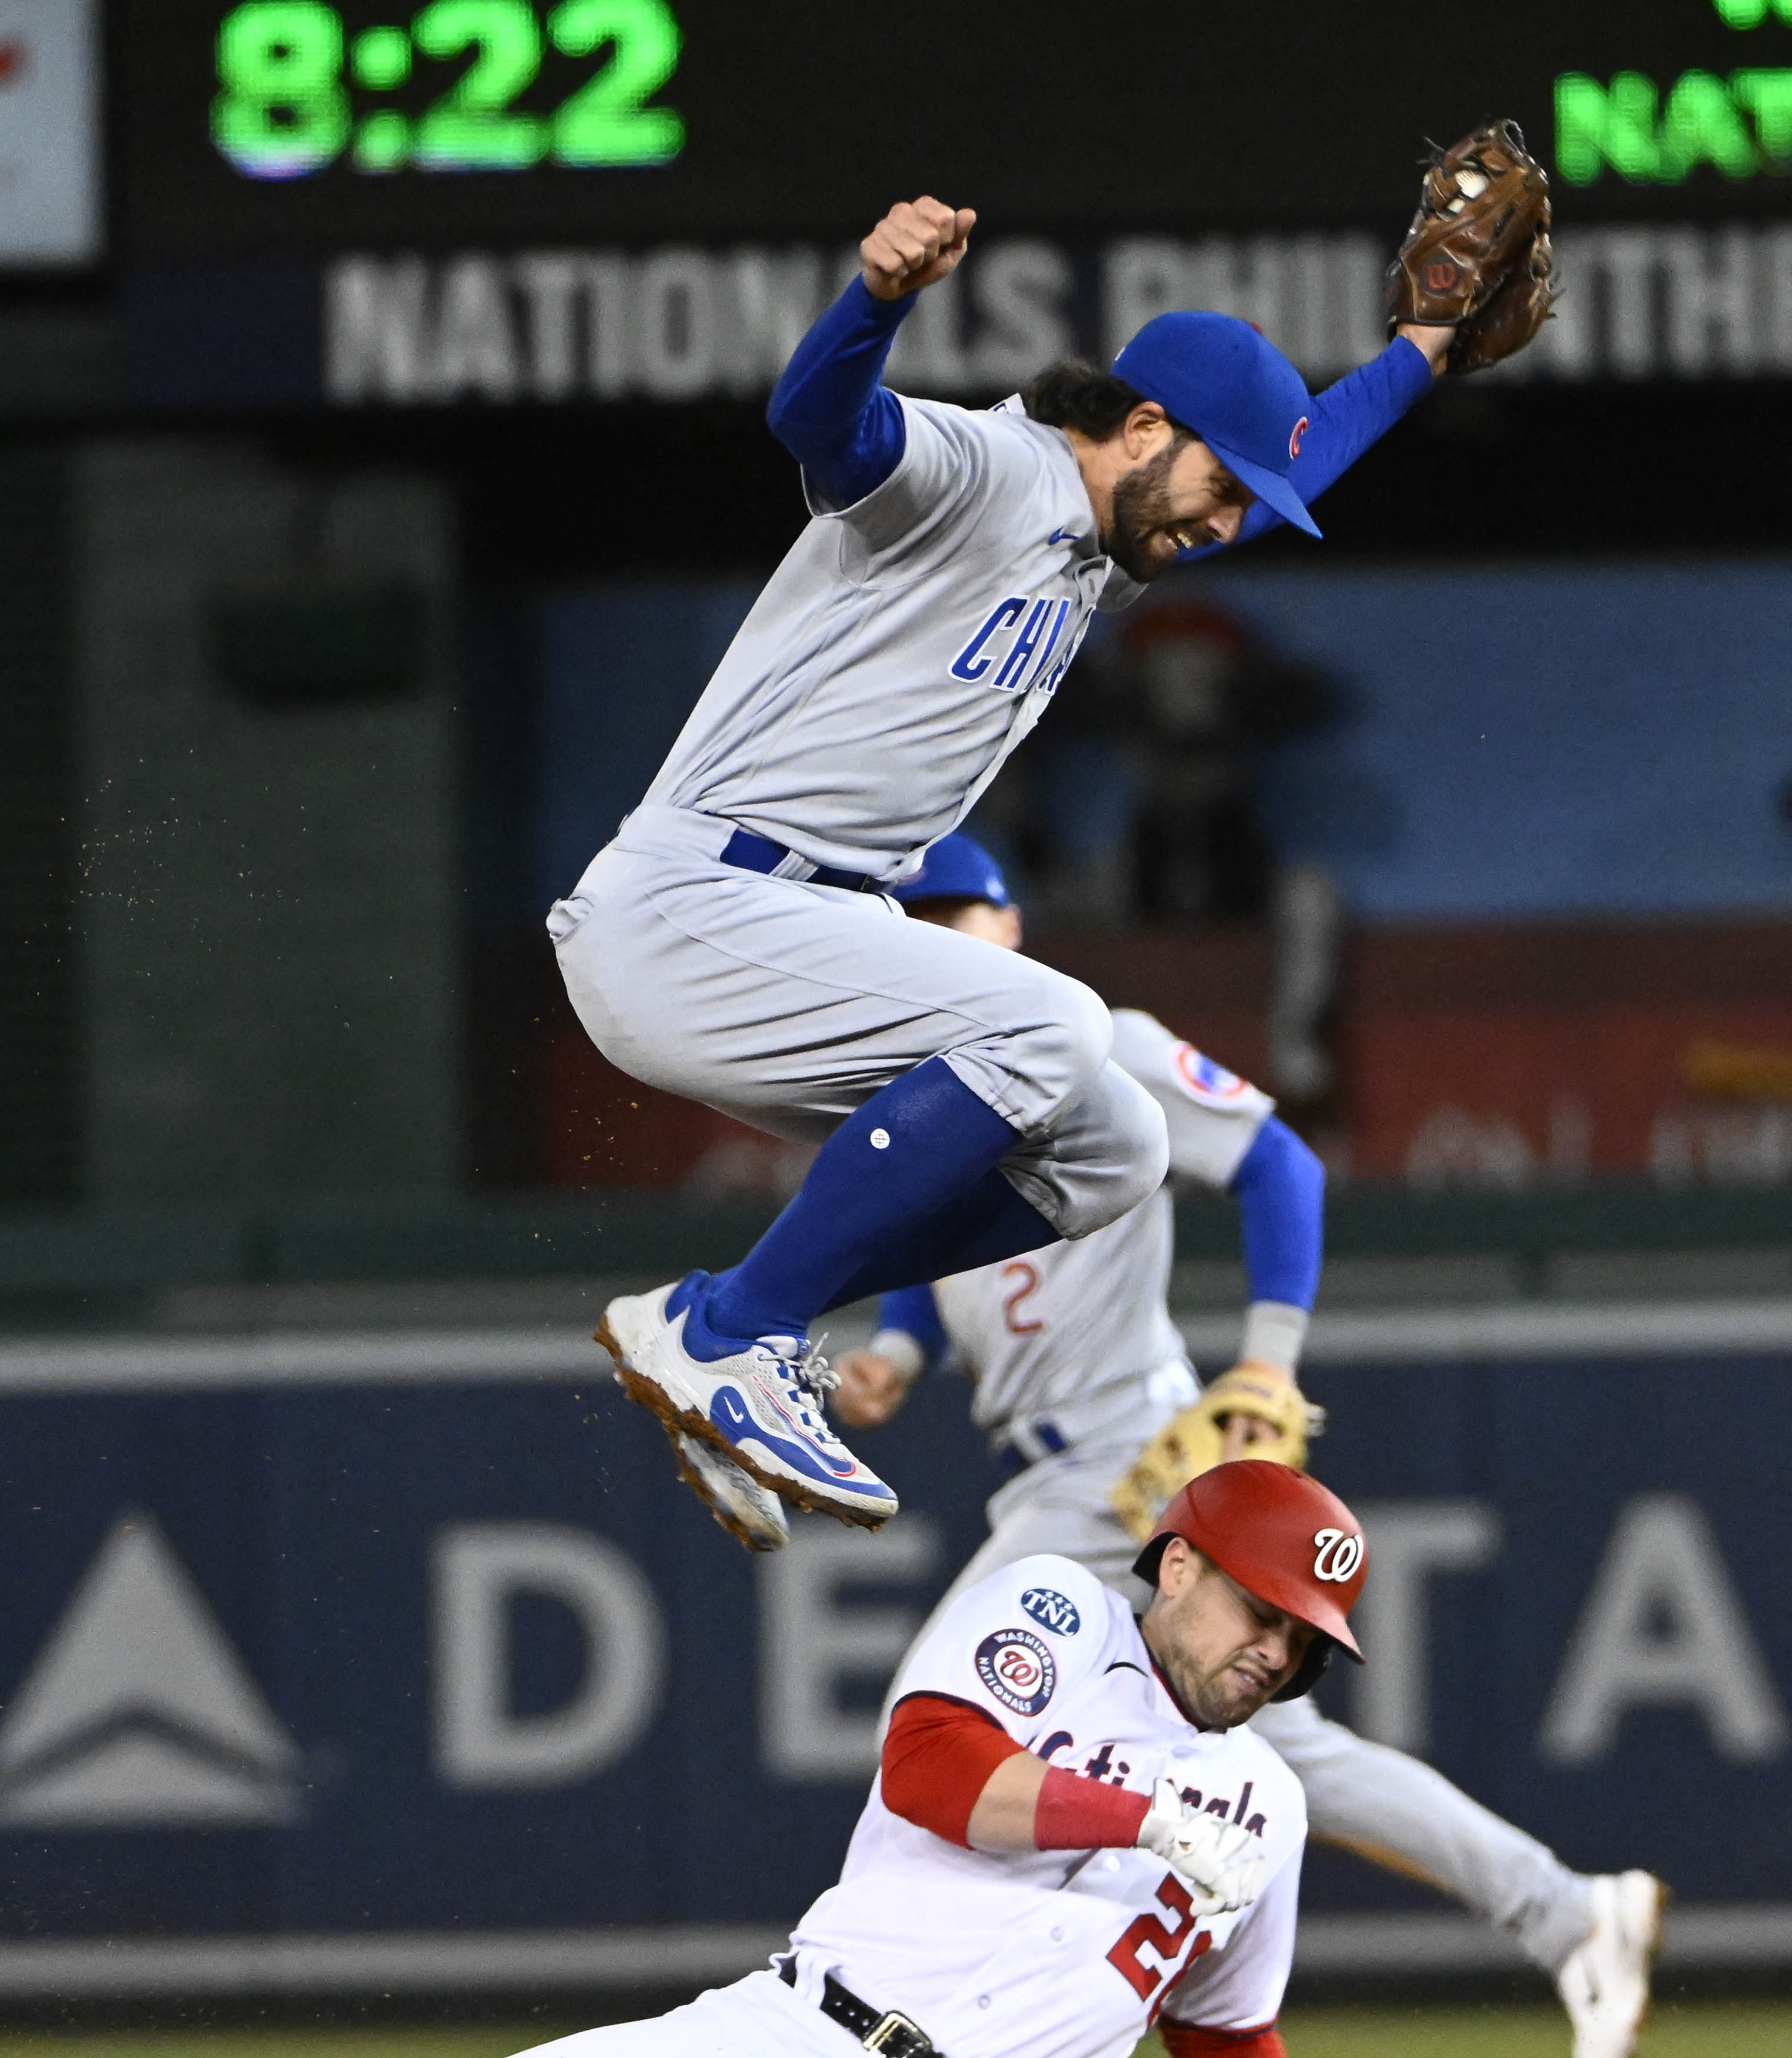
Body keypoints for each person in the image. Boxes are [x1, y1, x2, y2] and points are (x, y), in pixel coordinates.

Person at [0, 1465, 1476, 2058]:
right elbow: (931, 1775)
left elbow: (1227, 2039)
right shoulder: (1049, 1605)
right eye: (1260, 1614)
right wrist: (1133, 1808)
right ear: (1180, 1566)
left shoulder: (1263, 1803)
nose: (1273, 1654)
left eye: (1301, 1647)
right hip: (776, 2031)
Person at [571, 187, 1473, 1540]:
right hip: (692, 910)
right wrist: (876, 302)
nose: (1227, 526)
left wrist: (1420, 355)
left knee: (1116, 1145)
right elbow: (817, 428)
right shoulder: (987, 471)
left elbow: (1289, 476)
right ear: (1143, 426)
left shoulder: (1100, 544)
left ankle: (719, 1319)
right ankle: (740, 1330)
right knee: (1050, 1018)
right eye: (1220, 486)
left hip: (783, 932)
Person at [831, 835, 1665, 2058]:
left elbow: (1280, 1161)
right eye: (920, 916)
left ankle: (866, 2040)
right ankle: (1566, 1912)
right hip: (1047, 1473)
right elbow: (947, 1258)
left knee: (932, 1732)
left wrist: (1268, 1362)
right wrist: (896, 1344)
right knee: (1285, 1755)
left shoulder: (1092, 1039)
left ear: (1009, 922)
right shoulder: (932, 1091)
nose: (945, 932)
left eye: (965, 909)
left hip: (1127, 1460)